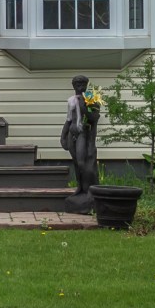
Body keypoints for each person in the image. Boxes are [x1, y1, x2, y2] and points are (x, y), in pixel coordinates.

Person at [61, 73, 100, 211]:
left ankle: (90, 189)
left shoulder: (91, 98)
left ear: (86, 85)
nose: (80, 87)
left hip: (84, 133)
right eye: (77, 85)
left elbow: (94, 117)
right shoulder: (71, 100)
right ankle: (80, 188)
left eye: (82, 84)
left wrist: (84, 107)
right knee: (77, 163)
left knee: (84, 163)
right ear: (73, 86)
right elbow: (68, 119)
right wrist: (63, 136)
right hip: (73, 133)